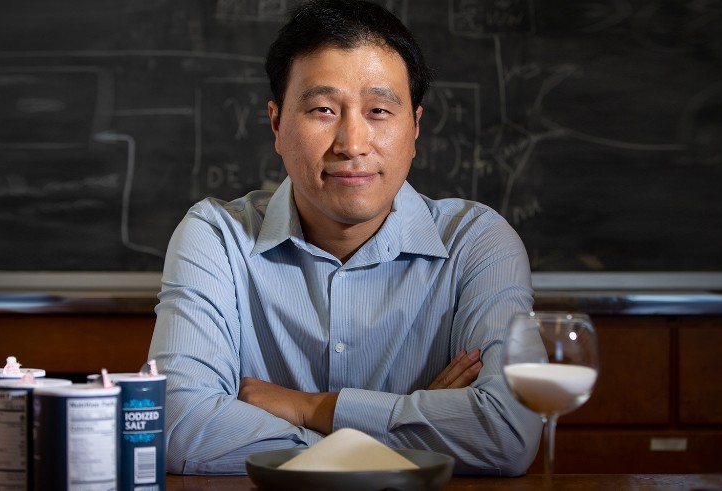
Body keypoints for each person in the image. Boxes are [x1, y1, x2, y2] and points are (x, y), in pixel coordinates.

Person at [147, 0, 541, 475]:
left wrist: (310, 408)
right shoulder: (216, 238)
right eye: (323, 109)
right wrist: (413, 427)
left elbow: (507, 435)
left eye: (378, 110)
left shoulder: (477, 244)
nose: (352, 143)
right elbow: (178, 429)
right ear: (276, 124)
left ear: (415, 127)